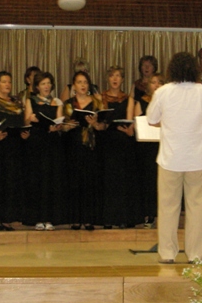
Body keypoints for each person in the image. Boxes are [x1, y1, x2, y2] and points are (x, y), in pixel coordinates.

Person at [146, 52, 202, 264]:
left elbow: (151, 120)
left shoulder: (163, 92)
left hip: (171, 158)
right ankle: (195, 254)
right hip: (197, 159)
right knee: (196, 208)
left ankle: (167, 253)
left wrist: (168, 123)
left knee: (168, 208)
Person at [0, 71, 29, 232]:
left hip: (15, 146)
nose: (7, 84)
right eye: (4, 82)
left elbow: (22, 122)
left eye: (9, 81)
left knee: (11, 181)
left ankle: (8, 219)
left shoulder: (17, 102)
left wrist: (24, 134)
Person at [24, 71, 67, 230]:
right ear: (37, 86)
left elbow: (59, 121)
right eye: (43, 84)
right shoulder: (31, 100)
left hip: (52, 142)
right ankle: (37, 218)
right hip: (36, 142)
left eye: (48, 83)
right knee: (37, 178)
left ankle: (50, 218)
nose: (46, 86)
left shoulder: (57, 102)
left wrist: (57, 126)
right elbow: (27, 120)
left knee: (51, 179)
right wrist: (32, 119)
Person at [62, 71, 105, 231]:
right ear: (74, 85)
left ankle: (88, 219)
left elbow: (103, 125)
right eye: (79, 82)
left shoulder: (97, 103)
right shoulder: (68, 104)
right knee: (74, 182)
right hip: (73, 146)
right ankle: (75, 218)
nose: (82, 85)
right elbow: (62, 127)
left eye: (85, 82)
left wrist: (95, 124)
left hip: (91, 147)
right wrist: (67, 126)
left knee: (89, 182)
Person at [98, 65, 140, 228]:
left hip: (123, 143)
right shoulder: (101, 97)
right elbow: (100, 122)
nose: (115, 79)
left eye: (118, 76)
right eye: (112, 76)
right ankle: (108, 218)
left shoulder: (128, 99)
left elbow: (129, 122)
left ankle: (123, 218)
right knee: (108, 180)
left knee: (122, 181)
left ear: (122, 80)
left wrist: (129, 130)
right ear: (107, 79)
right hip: (106, 142)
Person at [134, 72, 165, 228]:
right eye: (153, 82)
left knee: (164, 181)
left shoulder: (168, 101)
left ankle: (165, 215)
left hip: (164, 145)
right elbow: (136, 122)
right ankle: (149, 214)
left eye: (160, 82)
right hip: (146, 146)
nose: (156, 85)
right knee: (148, 180)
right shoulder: (141, 101)